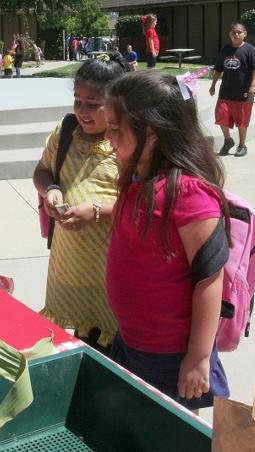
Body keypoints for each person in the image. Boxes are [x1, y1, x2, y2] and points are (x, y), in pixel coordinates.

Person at [103, 70, 231, 411]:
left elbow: (210, 278)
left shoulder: (189, 195)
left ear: (152, 132)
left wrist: (199, 357)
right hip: (132, 342)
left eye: (115, 129)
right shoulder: (138, 178)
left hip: (170, 357)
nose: (108, 137)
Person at [33, 52, 129, 351]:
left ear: (115, 104)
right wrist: (50, 189)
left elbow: (143, 202)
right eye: (78, 101)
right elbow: (42, 170)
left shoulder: (127, 141)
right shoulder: (66, 132)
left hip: (110, 270)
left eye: (93, 105)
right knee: (71, 343)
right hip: (67, 265)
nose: (82, 111)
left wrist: (98, 211)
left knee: (107, 347)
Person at [209, 22, 255, 157]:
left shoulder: (250, 50)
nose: (236, 34)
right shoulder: (225, 49)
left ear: (245, 34)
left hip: (244, 92)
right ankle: (228, 140)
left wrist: (253, 86)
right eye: (233, 32)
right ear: (230, 35)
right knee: (221, 115)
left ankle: (242, 145)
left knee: (242, 120)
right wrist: (213, 84)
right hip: (225, 91)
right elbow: (219, 68)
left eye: (239, 32)